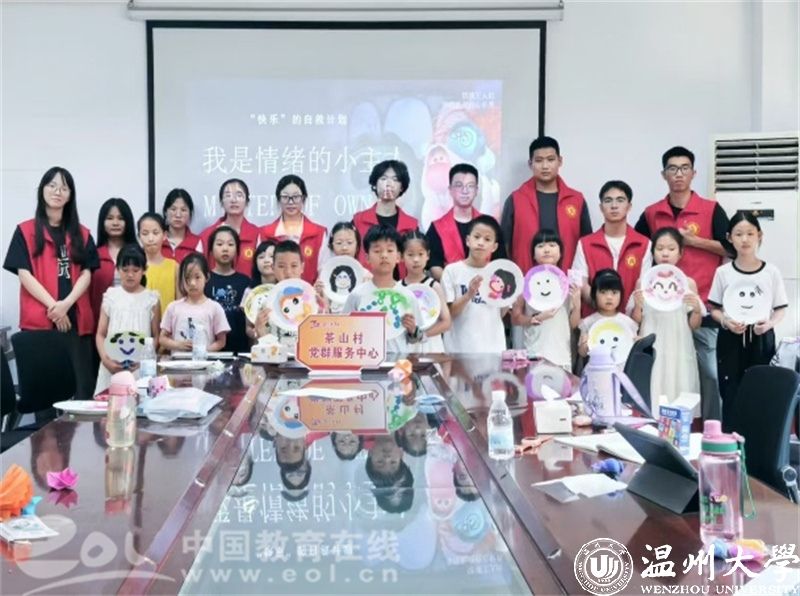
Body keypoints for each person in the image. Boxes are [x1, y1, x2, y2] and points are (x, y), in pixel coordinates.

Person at [635, 146, 731, 421]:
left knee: (709, 375)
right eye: (672, 169)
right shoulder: (652, 213)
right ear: (663, 174)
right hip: (661, 312)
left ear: (693, 173)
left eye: (684, 168)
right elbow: (640, 247)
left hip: (701, 306)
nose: (678, 174)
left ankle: (710, 429)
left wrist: (694, 241)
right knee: (664, 373)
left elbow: (731, 249)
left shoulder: (711, 209)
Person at [4, 166, 100, 400]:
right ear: (42, 190)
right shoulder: (25, 231)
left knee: (82, 391)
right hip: (40, 321)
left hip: (76, 321)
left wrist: (66, 304)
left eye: (64, 188)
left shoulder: (82, 233)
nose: (57, 191)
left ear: (70, 195)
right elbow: (24, 274)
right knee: (45, 393)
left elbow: (87, 273)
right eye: (52, 185)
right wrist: (55, 308)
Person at [708, 212, 787, 429]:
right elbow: (714, 309)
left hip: (761, 338)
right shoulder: (723, 272)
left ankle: (758, 444)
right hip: (730, 339)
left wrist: (769, 324)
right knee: (731, 394)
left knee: (761, 393)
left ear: (759, 236)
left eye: (750, 234)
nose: (745, 239)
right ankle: (730, 443)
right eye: (739, 234)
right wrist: (726, 322)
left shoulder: (771, 272)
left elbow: (780, 309)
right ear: (729, 237)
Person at [629, 228, 703, 413]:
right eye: (660, 248)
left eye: (671, 248)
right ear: (653, 252)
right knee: (652, 386)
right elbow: (636, 321)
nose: (665, 253)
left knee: (678, 388)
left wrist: (696, 309)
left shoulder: (688, 283)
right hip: (652, 341)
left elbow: (694, 325)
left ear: (680, 252)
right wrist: (638, 306)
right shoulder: (643, 282)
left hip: (678, 343)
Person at [501, 136, 591, 274]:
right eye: (539, 160)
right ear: (530, 164)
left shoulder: (576, 200)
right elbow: (504, 245)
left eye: (550, 159)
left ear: (560, 161)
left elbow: (586, 246)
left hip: (567, 282)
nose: (545, 166)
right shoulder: (516, 199)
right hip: (525, 281)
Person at [573, 181, 651, 316]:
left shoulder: (643, 244)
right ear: (601, 207)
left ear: (629, 206)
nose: (614, 206)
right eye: (608, 201)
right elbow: (580, 283)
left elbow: (643, 285)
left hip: (631, 321)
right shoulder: (585, 244)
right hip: (594, 321)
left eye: (620, 200)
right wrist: (602, 307)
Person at [344, 225, 423, 354]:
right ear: (367, 257)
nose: (384, 255)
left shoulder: (408, 296)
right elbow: (344, 332)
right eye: (377, 251)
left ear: (398, 257)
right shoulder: (357, 295)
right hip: (365, 360)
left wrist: (412, 330)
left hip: (398, 362)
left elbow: (418, 338)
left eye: (390, 250)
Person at [94, 244, 160, 395]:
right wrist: (105, 359)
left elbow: (156, 336)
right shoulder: (111, 296)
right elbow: (100, 334)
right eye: (125, 270)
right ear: (117, 269)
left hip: (139, 367)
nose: (130, 275)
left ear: (144, 270)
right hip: (111, 365)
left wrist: (144, 360)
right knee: (110, 403)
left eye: (135, 270)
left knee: (139, 402)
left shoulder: (151, 299)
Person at [511, 230, 580, 369]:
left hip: (561, 355)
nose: (547, 250)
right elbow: (515, 318)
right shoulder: (525, 282)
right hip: (534, 352)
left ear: (560, 253)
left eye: (552, 245)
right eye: (540, 246)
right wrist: (534, 319)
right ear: (533, 254)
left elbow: (573, 325)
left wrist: (577, 304)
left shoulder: (569, 284)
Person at [425, 163, 506, 281]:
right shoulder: (437, 227)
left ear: (476, 190)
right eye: (459, 185)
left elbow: (500, 261)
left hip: (486, 286)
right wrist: (454, 285)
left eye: (470, 186)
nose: (465, 191)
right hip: (451, 288)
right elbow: (434, 265)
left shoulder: (490, 225)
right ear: (450, 190)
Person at [440, 215, 508, 354]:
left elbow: (501, 312)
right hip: (458, 349)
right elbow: (449, 314)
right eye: (476, 237)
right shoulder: (452, 271)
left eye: (487, 239)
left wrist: (509, 296)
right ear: (468, 240)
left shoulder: (500, 274)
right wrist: (469, 295)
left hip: (493, 348)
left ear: (494, 247)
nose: (481, 243)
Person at [253, 240, 328, 351]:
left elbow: (324, 338)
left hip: (306, 357)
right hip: (277, 359)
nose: (288, 272)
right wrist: (260, 331)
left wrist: (324, 313)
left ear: (302, 267)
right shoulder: (267, 304)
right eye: (281, 266)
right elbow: (262, 348)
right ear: (273, 268)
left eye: (294, 266)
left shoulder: (314, 300)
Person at [352, 160, 419, 275]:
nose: (389, 184)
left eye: (395, 179)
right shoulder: (358, 220)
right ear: (375, 184)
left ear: (402, 187)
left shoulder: (411, 225)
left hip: (401, 284)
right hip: (367, 282)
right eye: (383, 179)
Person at [259, 175, 328, 284]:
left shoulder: (319, 233)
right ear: (278, 199)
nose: (290, 202)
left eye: (296, 197)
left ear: (303, 199)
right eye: (285, 197)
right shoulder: (265, 233)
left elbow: (324, 271)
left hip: (309, 293)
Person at [159, 253, 230, 353]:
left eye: (197, 277)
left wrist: (204, 351)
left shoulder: (215, 307)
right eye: (187, 278)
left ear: (206, 277)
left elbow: (221, 341)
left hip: (205, 361)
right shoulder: (173, 307)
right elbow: (162, 338)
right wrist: (178, 345)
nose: (192, 283)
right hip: (178, 361)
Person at [400, 231, 451, 354]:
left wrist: (421, 335)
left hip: (431, 345)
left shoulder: (434, 286)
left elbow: (446, 322)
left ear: (428, 255)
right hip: (405, 345)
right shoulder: (398, 287)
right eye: (410, 255)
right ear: (401, 256)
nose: (416, 259)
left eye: (420, 254)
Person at [90, 197, 136, 332]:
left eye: (120, 218)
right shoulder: (94, 255)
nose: (115, 223)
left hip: (133, 320)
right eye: (109, 218)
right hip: (102, 324)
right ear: (102, 222)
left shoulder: (138, 254)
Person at [198, 178, 261, 275]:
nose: (233, 200)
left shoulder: (256, 234)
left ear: (247, 202)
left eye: (239, 195)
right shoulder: (207, 235)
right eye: (228, 195)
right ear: (221, 202)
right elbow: (199, 270)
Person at [205, 226, 250, 354]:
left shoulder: (245, 282)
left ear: (237, 249)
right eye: (219, 244)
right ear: (211, 249)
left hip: (240, 350)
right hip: (211, 350)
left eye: (230, 244)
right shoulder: (204, 280)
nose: (225, 249)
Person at [578, 269, 639, 359]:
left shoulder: (627, 322)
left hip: (622, 366)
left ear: (621, 295)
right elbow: (582, 353)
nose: (609, 297)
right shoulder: (588, 322)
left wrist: (639, 343)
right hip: (597, 366)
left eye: (614, 292)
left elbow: (633, 350)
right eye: (603, 292)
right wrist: (584, 345)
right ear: (594, 294)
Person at [138, 212, 178, 316]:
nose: (150, 239)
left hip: (168, 324)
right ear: (139, 237)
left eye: (155, 233)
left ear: (164, 235)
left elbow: (180, 303)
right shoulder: (135, 267)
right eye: (145, 234)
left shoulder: (174, 267)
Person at [161, 188, 202, 263]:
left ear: (190, 214)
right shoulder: (157, 241)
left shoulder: (197, 243)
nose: (178, 215)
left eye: (183, 210)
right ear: (166, 212)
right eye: (173, 209)